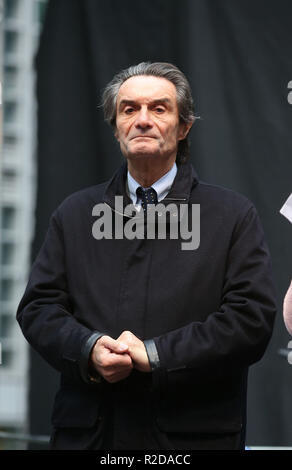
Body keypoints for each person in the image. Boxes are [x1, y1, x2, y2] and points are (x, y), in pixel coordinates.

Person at [17, 62, 276, 450]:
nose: (142, 120)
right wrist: (88, 349)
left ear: (184, 126)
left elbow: (249, 320)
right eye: (128, 109)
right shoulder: (74, 214)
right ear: (116, 126)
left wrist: (154, 355)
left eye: (159, 108)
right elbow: (39, 308)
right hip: (92, 436)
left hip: (190, 439)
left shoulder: (232, 215)